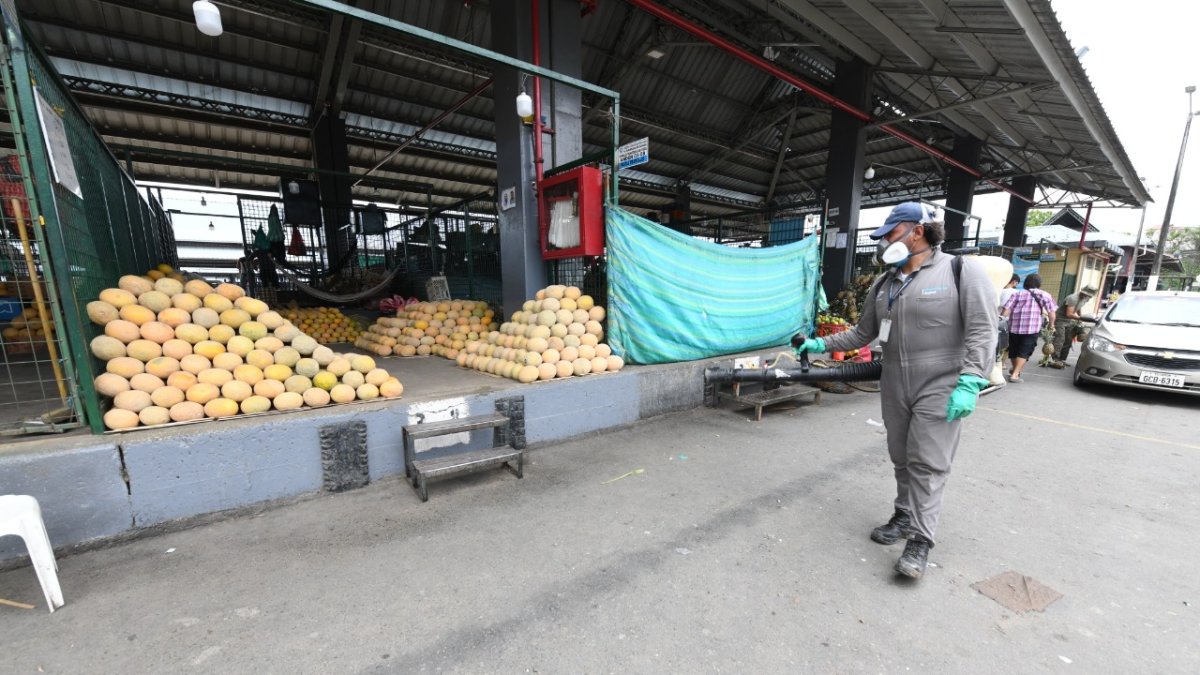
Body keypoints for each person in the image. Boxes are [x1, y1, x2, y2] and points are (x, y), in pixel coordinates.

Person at [792, 202, 997, 580]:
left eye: (889, 233)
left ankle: (920, 539)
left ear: (916, 231)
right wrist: (820, 345)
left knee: (928, 463)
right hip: (894, 381)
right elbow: (862, 333)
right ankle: (904, 515)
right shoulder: (884, 283)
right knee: (901, 456)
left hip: (941, 381)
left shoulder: (960, 270)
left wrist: (971, 380)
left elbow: (983, 330)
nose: (884, 242)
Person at [1000, 273, 1057, 382]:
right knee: (1025, 351)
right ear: (1039, 283)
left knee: (1014, 350)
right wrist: (1051, 325)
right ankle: (1015, 374)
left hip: (1014, 327)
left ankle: (1015, 370)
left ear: (1026, 283)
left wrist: (1001, 320)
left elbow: (1006, 310)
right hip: (1032, 328)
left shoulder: (1017, 294)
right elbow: (1051, 312)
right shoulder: (1045, 295)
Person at [1049, 286, 1096, 366]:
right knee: (1059, 339)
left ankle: (1062, 359)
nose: (1087, 296)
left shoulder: (1086, 299)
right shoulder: (1072, 298)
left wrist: (1080, 319)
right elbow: (1069, 314)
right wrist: (1082, 318)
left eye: (1089, 296)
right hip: (1060, 320)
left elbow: (1078, 308)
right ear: (1082, 291)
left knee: (1068, 340)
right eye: (1085, 294)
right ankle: (1055, 359)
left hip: (1069, 321)